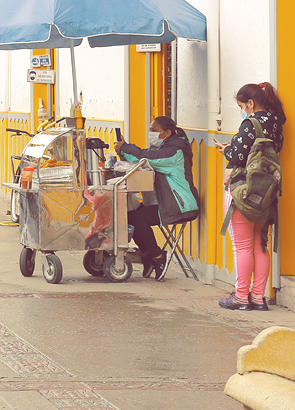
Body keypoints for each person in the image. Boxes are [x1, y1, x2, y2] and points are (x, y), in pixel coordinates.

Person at [216, 82, 285, 309]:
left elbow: (238, 156)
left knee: (243, 246)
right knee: (260, 243)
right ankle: (258, 297)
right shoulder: (276, 123)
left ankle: (240, 297)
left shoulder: (250, 123)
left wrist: (226, 149)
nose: (242, 110)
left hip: (243, 188)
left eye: (241, 106)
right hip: (266, 190)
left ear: (251, 103)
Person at [112, 116, 199, 279]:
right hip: (165, 203)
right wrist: (123, 152)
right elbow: (140, 161)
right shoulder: (162, 148)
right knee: (128, 217)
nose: (150, 133)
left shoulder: (175, 152)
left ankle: (157, 257)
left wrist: (126, 148)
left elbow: (146, 158)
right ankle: (146, 255)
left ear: (167, 133)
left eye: (154, 130)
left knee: (139, 219)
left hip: (181, 205)